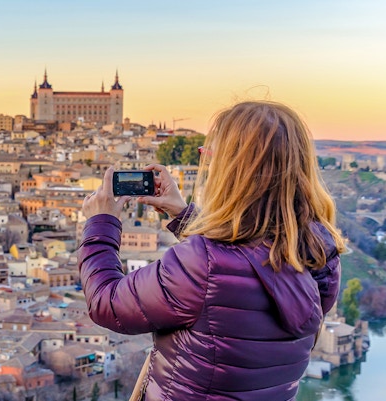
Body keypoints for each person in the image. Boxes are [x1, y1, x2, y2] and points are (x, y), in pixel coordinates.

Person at [78, 101, 343, 401]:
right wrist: (185, 216)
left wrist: (101, 223)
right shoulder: (319, 253)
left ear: (231, 171)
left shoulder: (202, 262)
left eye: (209, 155)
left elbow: (106, 303)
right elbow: (244, 257)